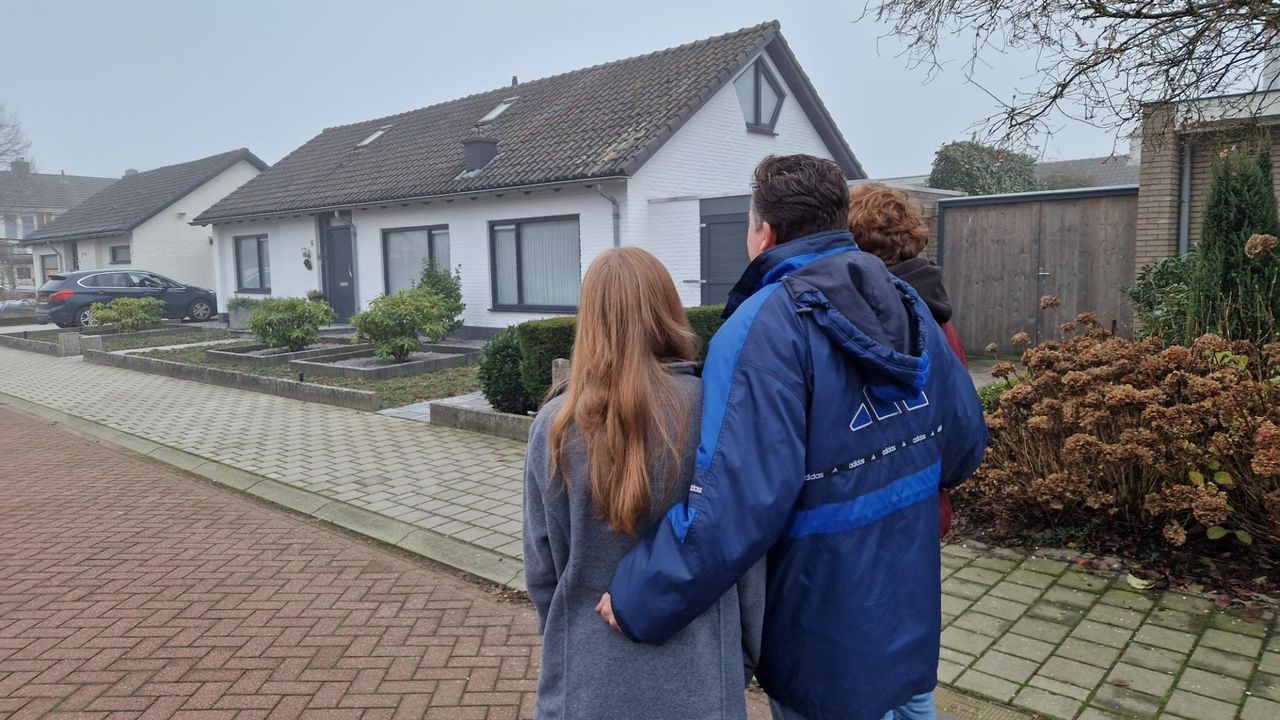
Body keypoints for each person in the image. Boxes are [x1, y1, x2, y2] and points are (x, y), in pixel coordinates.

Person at [597, 155, 988, 720]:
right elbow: (964, 442)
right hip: (908, 606)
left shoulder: (763, 327)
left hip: (821, 626)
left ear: (766, 232)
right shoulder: (908, 303)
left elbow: (737, 502)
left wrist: (643, 593)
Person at [523, 247, 764, 720]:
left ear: (588, 320)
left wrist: (571, 643)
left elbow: (542, 570)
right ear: (668, 310)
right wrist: (740, 660)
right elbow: (748, 555)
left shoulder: (555, 426)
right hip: (700, 679)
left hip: (587, 684)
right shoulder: (716, 415)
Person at [847, 183, 968, 539]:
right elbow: (959, 415)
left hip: (870, 514)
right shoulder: (937, 316)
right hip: (926, 501)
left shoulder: (857, 312)